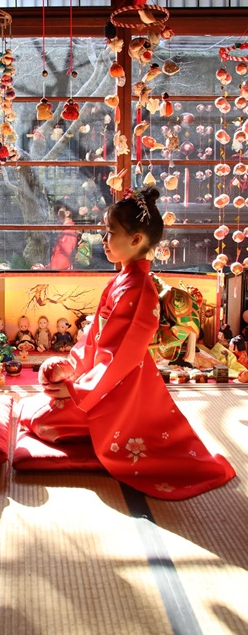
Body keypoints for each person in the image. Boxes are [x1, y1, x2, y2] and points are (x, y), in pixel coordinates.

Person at [19, 187, 235, 500]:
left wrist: (78, 391)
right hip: (101, 378)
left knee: (43, 422)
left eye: (110, 232)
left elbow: (121, 355)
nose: (104, 239)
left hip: (121, 387)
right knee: (39, 410)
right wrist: (72, 369)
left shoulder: (140, 289)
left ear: (136, 240)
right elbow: (93, 337)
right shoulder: (120, 281)